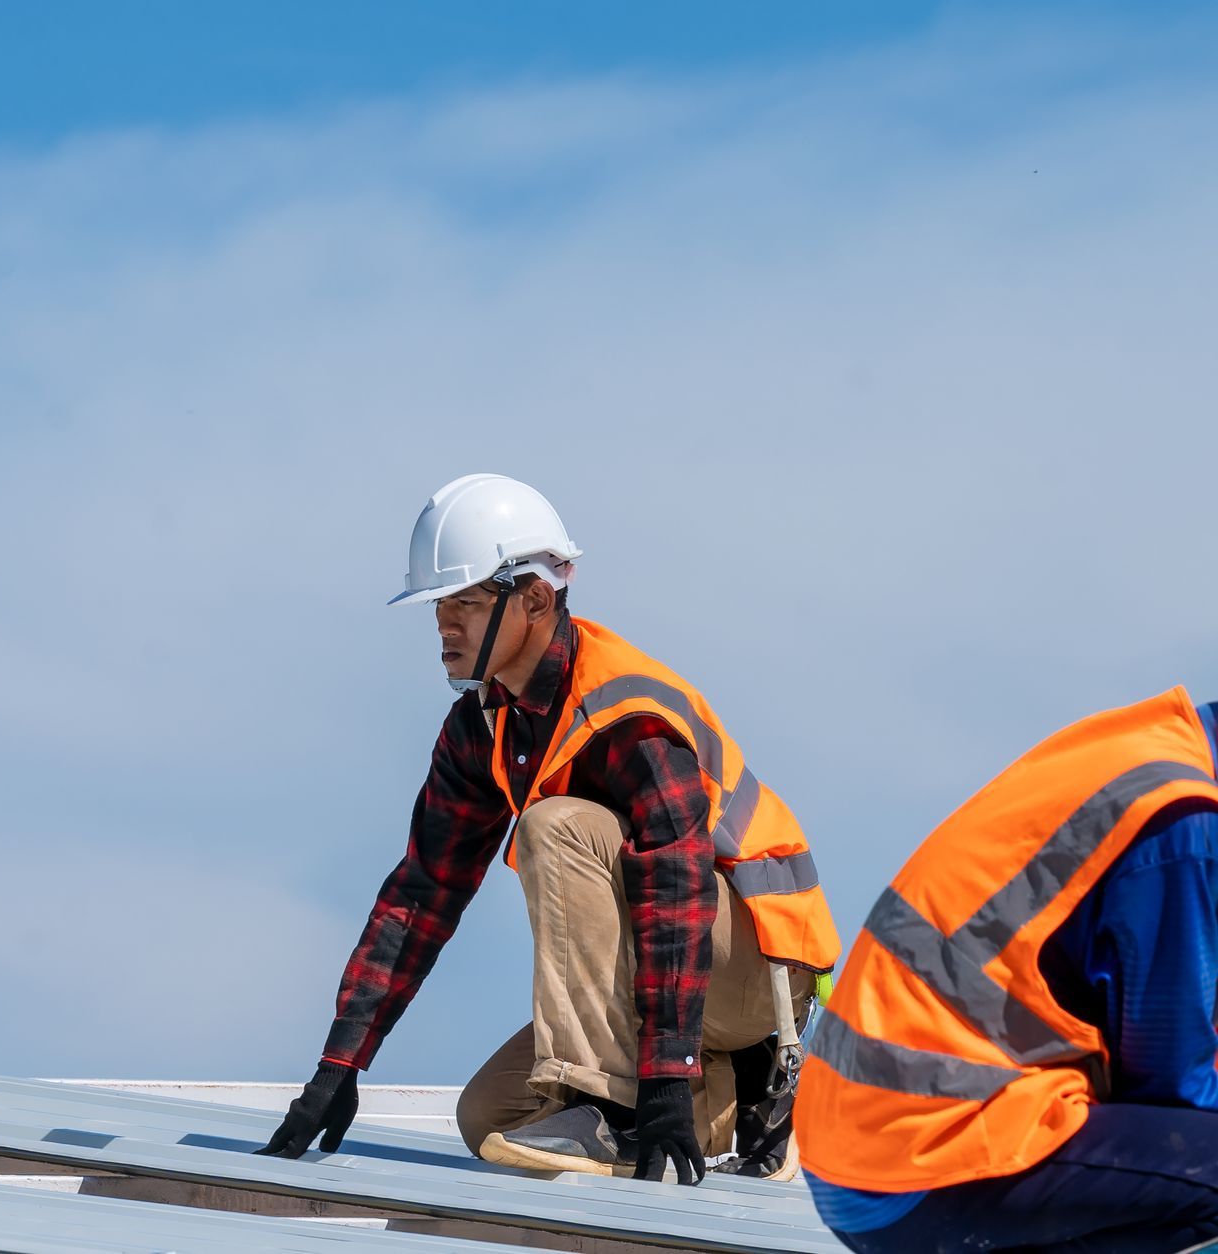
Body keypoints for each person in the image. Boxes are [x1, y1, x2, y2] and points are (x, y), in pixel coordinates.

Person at [257, 474, 840, 1183]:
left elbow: (678, 893)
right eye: (440, 604)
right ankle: (755, 1101)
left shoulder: (626, 715)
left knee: (554, 826)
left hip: (753, 969)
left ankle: (616, 1112)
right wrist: (340, 1063)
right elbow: (421, 897)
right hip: (675, 989)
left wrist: (653, 1087)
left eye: (467, 602)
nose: (445, 624)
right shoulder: (483, 725)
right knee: (491, 1120)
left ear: (535, 598)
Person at [797, 688, 1218, 1252]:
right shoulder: (1181, 822)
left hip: (860, 1149)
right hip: (921, 1163)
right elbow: (1173, 1082)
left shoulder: (1141, 751)